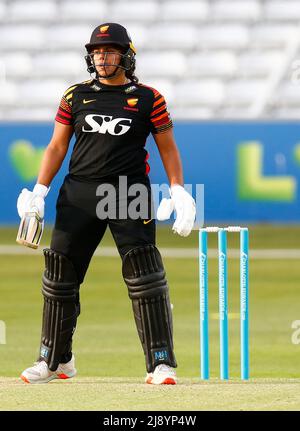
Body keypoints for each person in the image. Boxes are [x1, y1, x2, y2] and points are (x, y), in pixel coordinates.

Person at [17, 23, 196, 385]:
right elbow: (56, 147)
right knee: (60, 276)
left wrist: (178, 189)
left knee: (145, 276)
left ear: (126, 56)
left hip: (128, 192)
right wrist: (39, 191)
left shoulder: (148, 98)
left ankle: (160, 363)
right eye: (97, 51)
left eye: (110, 51)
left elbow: (168, 148)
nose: (101, 56)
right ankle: (54, 360)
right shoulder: (75, 96)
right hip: (79, 192)